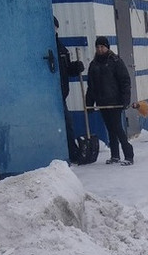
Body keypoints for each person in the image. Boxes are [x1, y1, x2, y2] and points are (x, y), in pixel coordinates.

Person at [86, 36, 134, 166]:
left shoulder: (115, 61)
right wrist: (89, 102)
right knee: (110, 129)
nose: (100, 49)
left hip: (114, 101)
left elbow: (125, 81)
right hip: (102, 102)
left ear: (107, 47)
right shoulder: (94, 65)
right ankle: (115, 155)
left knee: (117, 128)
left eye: (102, 47)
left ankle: (129, 155)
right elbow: (91, 85)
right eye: (98, 47)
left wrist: (125, 99)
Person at [54, 16, 84, 164]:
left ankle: (73, 153)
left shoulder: (60, 48)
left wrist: (75, 67)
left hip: (61, 94)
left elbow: (65, 70)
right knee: (64, 124)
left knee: (68, 124)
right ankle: (68, 153)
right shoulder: (45, 47)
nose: (54, 30)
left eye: (55, 27)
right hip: (51, 95)